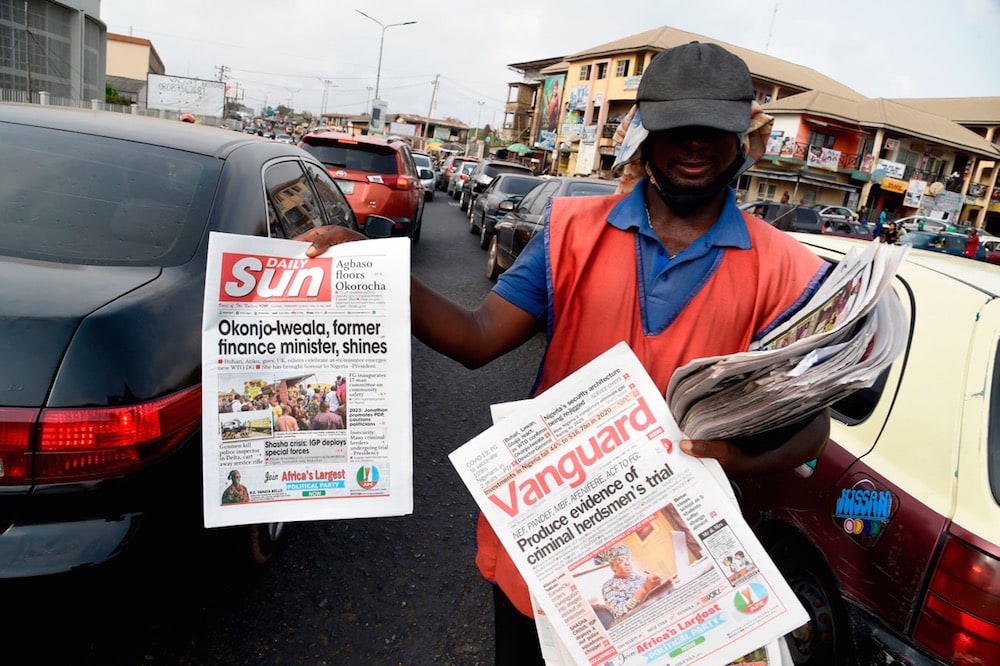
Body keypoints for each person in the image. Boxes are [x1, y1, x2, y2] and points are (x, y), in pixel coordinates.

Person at [298, 41, 831, 665]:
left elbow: (811, 428)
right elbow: (477, 337)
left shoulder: (790, 271)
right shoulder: (570, 230)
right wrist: (375, 271)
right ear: (645, 135)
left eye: (714, 130)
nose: (696, 144)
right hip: (551, 541)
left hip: (682, 563)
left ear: (741, 140)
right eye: (678, 127)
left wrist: (723, 460)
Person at [599, 545, 663, 620]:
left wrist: (656, 585)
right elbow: (619, 614)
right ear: (613, 566)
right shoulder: (609, 586)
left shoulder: (637, 576)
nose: (627, 563)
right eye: (621, 560)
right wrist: (644, 589)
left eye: (627, 559)